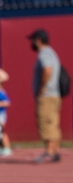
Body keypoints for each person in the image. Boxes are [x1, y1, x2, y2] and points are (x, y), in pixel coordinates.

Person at [29, 29, 62, 163]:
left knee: (45, 122)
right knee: (52, 123)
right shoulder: (52, 52)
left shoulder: (44, 54)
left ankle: (49, 151)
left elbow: (47, 70)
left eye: (32, 40)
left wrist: (42, 88)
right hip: (54, 94)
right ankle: (54, 150)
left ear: (38, 40)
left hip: (47, 95)